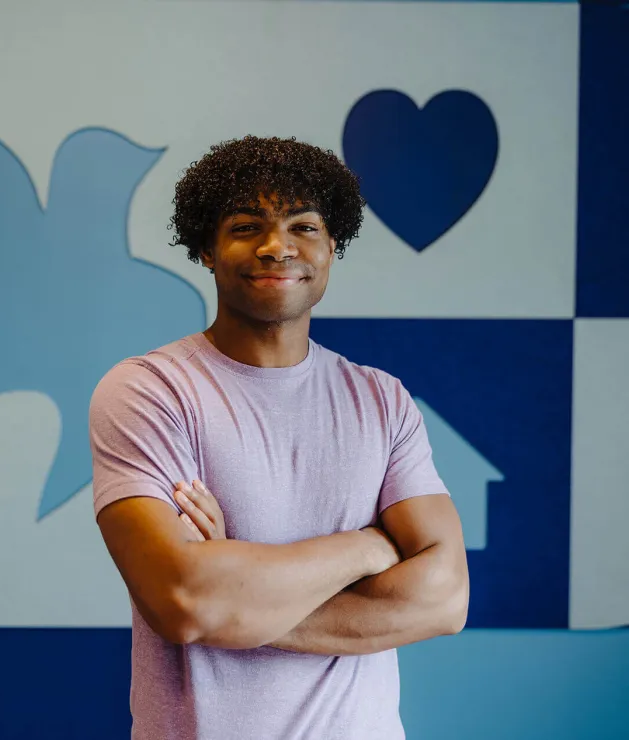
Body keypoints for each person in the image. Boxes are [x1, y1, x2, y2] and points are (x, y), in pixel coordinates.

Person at [89, 135, 469, 740]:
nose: (276, 247)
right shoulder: (149, 390)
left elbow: (446, 600)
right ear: (206, 251)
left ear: (332, 246)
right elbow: (184, 602)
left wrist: (236, 601)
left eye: (303, 226)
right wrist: (369, 549)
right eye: (246, 227)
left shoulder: (381, 400)